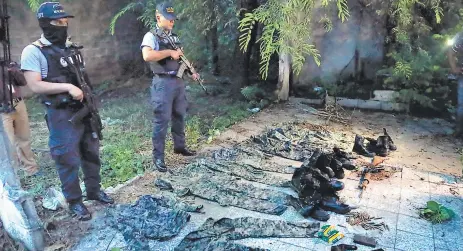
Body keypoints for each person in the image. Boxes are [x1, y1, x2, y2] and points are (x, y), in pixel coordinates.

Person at [20, 2, 113, 221]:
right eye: (58, 22)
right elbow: (34, 85)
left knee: (91, 152)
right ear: (45, 24)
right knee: (67, 158)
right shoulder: (34, 52)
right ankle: (75, 201)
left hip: (84, 111)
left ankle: (94, 191)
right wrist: (67, 88)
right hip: (62, 115)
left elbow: (82, 78)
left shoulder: (71, 48)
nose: (63, 25)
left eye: (65, 22)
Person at [141, 2, 199, 172]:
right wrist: (169, 53)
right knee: (162, 120)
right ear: (158, 17)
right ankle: (158, 157)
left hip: (178, 81)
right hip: (163, 83)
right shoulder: (151, 36)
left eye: (174, 19)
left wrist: (192, 72)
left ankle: (179, 146)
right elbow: (147, 55)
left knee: (179, 115)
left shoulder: (173, 37)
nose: (172, 21)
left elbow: (181, 59)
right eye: (169, 18)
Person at [1, 63, 40, 176]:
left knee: (24, 137)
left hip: (18, 103)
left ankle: (30, 169)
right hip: (2, 109)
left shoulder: (5, 62)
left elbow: (22, 82)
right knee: (8, 143)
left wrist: (13, 70)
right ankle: (12, 175)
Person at [448, 31, 463, 136]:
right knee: (461, 104)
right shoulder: (461, 36)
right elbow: (451, 51)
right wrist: (454, 68)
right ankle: (459, 130)